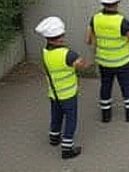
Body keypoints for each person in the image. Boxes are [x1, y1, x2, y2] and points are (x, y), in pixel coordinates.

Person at [85, 0, 129, 124]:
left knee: (105, 85)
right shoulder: (122, 22)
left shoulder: (95, 18)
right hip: (121, 61)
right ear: (118, 2)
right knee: (126, 85)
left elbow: (88, 40)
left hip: (103, 61)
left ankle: (106, 114)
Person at [34, 16, 90, 160]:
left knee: (56, 116)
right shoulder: (68, 54)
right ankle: (67, 148)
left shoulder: (45, 52)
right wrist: (87, 62)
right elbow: (82, 65)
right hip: (68, 94)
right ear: (60, 37)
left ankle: (54, 137)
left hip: (54, 93)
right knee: (71, 120)